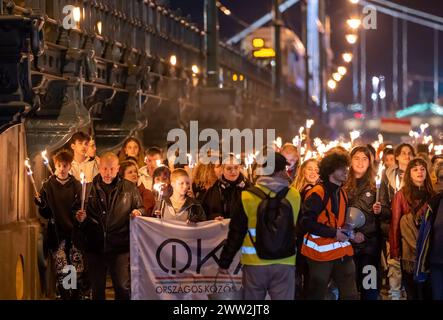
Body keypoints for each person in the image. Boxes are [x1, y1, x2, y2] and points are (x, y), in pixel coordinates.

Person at [218, 152, 301, 300]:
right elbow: (299, 229)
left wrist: (225, 263)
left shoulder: (247, 196)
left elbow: (236, 234)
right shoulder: (294, 195)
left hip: (254, 264)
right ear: (281, 171)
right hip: (285, 262)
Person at [75, 152, 146, 300]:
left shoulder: (129, 188)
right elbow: (76, 212)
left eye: (112, 169)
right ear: (99, 168)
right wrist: (80, 218)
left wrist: (138, 211)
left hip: (120, 245)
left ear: (118, 168)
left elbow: (141, 208)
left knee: (122, 286)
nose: (108, 173)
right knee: (97, 288)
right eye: (105, 169)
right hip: (95, 245)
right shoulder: (88, 189)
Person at [300, 150, 361, 300]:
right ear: (330, 170)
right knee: (317, 294)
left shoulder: (342, 193)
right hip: (319, 255)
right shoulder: (317, 192)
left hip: (342, 251)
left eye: (346, 168)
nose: (346, 171)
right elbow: (306, 222)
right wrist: (334, 233)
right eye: (341, 168)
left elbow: (340, 222)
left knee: (351, 294)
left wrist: (351, 234)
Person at [35, 150, 84, 299]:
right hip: (57, 234)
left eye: (65, 165)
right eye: (59, 166)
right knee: (62, 269)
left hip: (74, 233)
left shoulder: (76, 185)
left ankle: (73, 294)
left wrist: (79, 215)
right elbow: (46, 213)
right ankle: (65, 295)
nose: (62, 169)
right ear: (55, 166)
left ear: (70, 166)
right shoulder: (48, 185)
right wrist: (41, 204)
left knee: (74, 268)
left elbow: (80, 207)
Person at [390, 157, 434, 300]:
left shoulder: (433, 195)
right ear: (409, 173)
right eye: (415, 169)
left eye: (422, 169)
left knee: (428, 291)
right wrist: (395, 250)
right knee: (412, 291)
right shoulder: (401, 195)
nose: (419, 172)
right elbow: (395, 223)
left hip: (428, 251)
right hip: (407, 252)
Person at [344, 146, 382, 300]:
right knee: (349, 288)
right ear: (350, 160)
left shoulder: (376, 185)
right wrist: (351, 234)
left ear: (370, 162)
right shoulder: (342, 183)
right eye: (357, 158)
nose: (360, 162)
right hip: (347, 244)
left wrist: (381, 210)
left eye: (365, 158)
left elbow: (386, 213)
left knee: (369, 287)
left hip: (369, 246)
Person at [379, 143, 415, 299]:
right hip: (391, 230)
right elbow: (384, 203)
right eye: (404, 153)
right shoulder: (388, 176)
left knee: (409, 268)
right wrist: (388, 212)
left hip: (410, 232)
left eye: (410, 153)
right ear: (397, 156)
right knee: (394, 268)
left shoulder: (417, 175)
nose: (407, 156)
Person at [292, 158, 319, 299]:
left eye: (316, 170)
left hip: (306, 237)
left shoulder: (318, 190)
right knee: (304, 275)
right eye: (310, 168)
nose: (313, 172)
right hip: (302, 237)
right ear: (303, 170)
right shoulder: (301, 190)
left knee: (305, 275)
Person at [202, 154, 251, 220]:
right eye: (229, 168)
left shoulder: (249, 187)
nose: (233, 171)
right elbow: (203, 213)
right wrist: (213, 217)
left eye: (236, 167)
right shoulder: (214, 190)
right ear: (222, 170)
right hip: (222, 229)